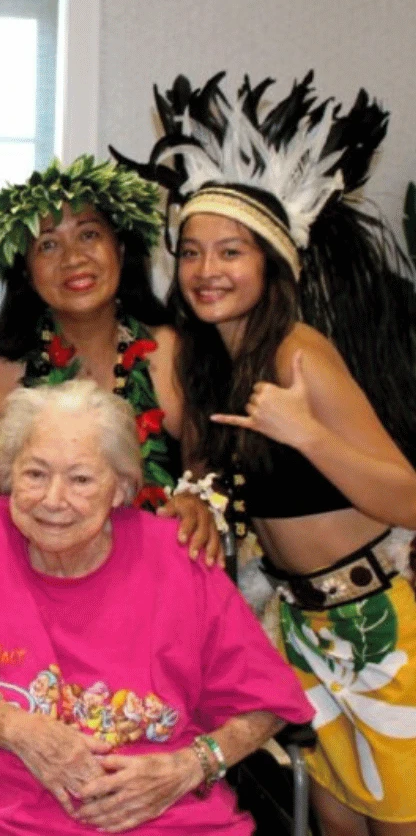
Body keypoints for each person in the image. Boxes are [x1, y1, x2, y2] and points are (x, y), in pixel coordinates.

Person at [127, 71, 416, 836]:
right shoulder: (207, 364)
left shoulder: (299, 352)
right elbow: (207, 482)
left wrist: (307, 433)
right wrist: (192, 500)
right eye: (192, 252)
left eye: (231, 251)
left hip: (381, 624)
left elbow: (408, 496)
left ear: (272, 262)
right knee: (334, 825)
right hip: (300, 629)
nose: (207, 270)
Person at [0, 379, 313, 835]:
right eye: (35, 474)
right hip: (21, 823)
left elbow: (269, 702)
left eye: (81, 479)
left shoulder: (176, 556)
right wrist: (16, 729)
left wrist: (191, 766)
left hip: (173, 819)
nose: (53, 500)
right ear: (10, 474)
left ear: (120, 488)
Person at [0, 155, 221, 563]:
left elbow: (211, 472)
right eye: (48, 244)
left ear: (120, 248)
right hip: (36, 583)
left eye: (89, 235)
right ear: (26, 271)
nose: (73, 258)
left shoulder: (175, 352)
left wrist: (197, 501)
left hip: (158, 581)